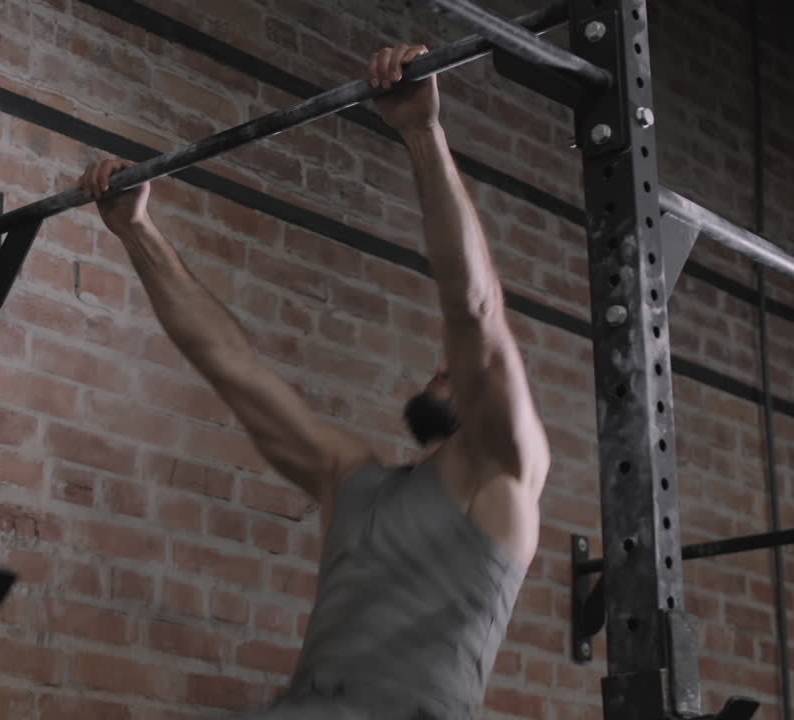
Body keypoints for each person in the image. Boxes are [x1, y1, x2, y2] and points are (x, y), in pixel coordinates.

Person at [77, 42, 550, 720]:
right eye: (437, 365)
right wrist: (137, 232)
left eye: (455, 370)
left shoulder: (501, 472)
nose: (440, 367)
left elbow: (472, 311)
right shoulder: (348, 477)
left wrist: (421, 131)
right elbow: (229, 364)